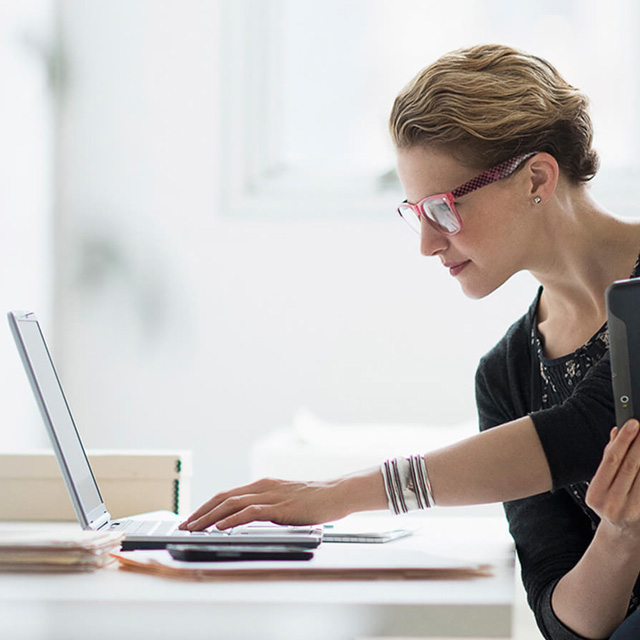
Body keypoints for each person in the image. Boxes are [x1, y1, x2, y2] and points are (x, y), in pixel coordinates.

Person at [180, 45, 640, 639]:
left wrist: (339, 493)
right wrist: (620, 539)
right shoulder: (505, 376)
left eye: (444, 209)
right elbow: (565, 623)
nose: (427, 243)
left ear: (536, 178)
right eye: (415, 212)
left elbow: (583, 428)